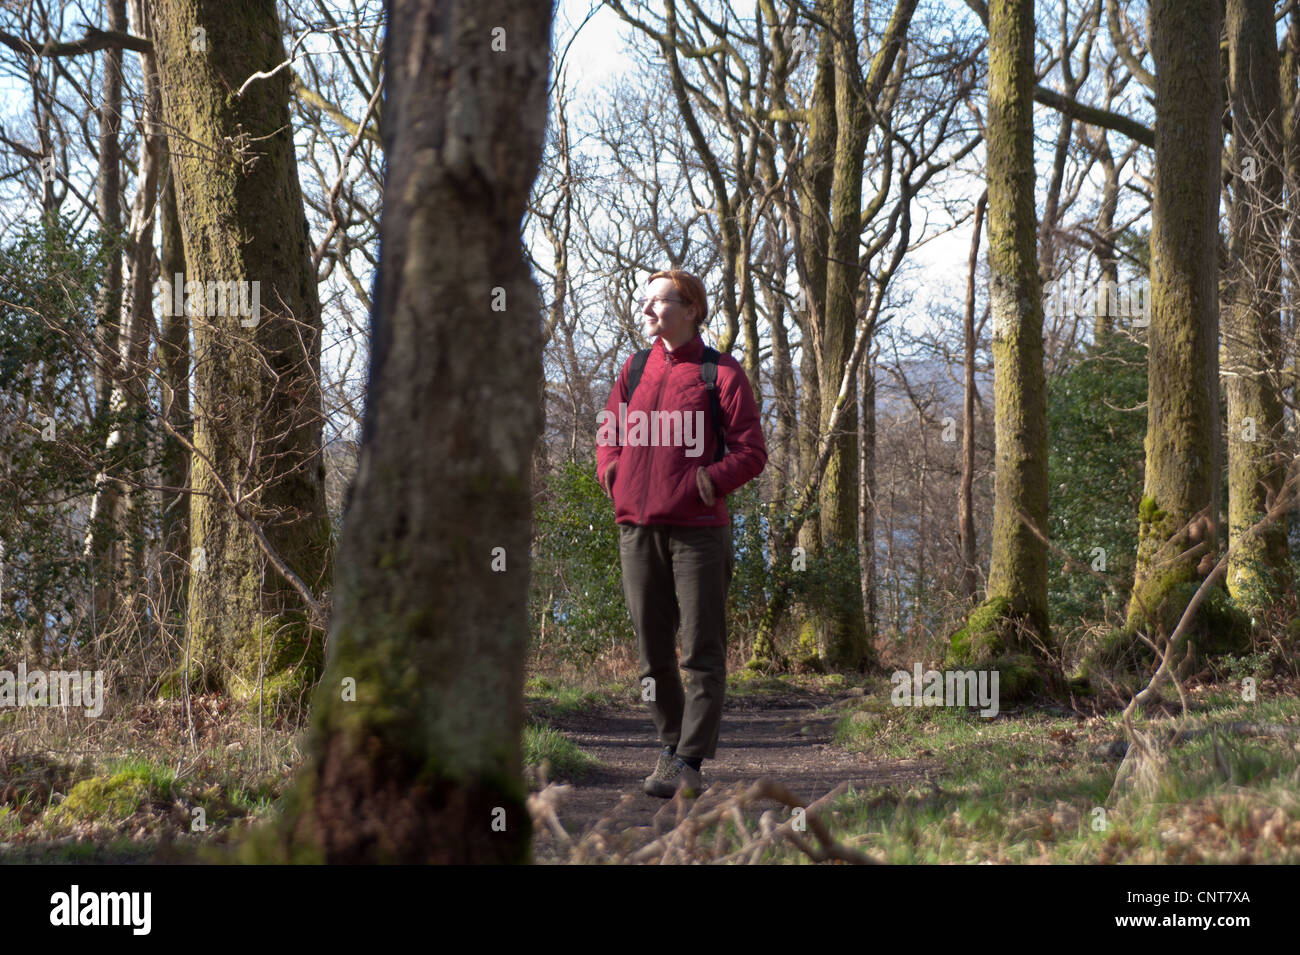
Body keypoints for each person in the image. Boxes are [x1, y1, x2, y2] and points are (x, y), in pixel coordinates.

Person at [596, 269, 767, 798]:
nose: (647, 309)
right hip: (638, 530)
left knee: (700, 651)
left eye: (658, 301)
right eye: (644, 300)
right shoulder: (635, 367)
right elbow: (609, 432)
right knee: (652, 653)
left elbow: (751, 452)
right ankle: (670, 746)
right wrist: (614, 474)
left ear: (690, 308)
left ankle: (691, 760)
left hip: (698, 532)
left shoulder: (721, 373)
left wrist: (709, 481)